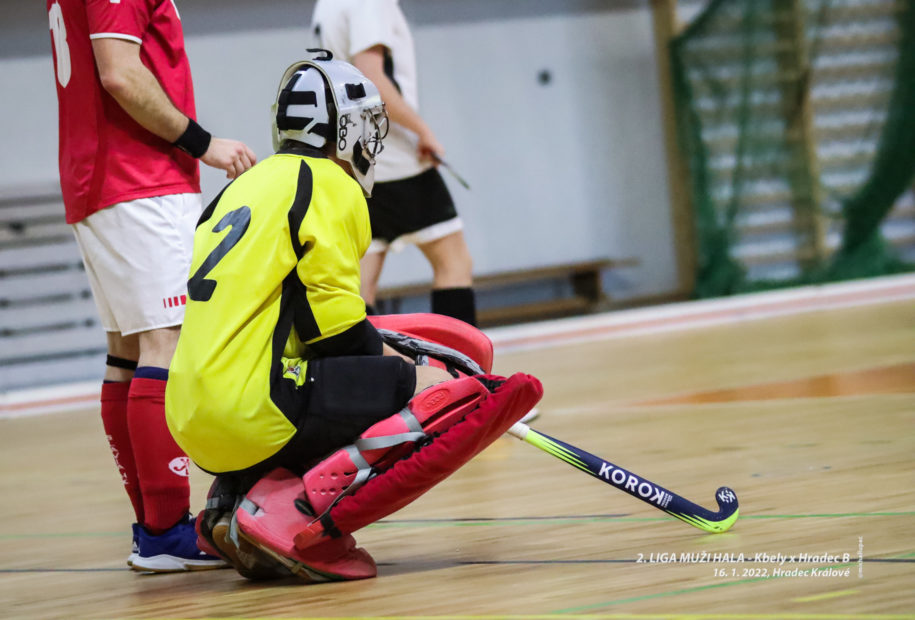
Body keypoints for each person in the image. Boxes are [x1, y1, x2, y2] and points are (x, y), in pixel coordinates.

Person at [163, 53, 542, 582]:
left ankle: (234, 502)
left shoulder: (239, 187)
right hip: (256, 406)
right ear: (344, 128)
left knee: (371, 375)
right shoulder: (329, 183)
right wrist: (429, 381)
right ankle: (292, 509)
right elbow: (335, 332)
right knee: (434, 391)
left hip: (192, 416)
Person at [47, 0, 256, 572]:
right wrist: (202, 142)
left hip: (101, 180)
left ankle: (155, 531)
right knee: (166, 341)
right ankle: (165, 531)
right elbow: (119, 72)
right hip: (137, 180)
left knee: (128, 352)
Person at [310, 0, 478, 326]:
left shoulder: (327, 4)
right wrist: (423, 132)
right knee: (454, 264)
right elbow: (371, 79)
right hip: (395, 158)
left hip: (351, 161)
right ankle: (461, 369)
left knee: (360, 285)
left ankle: (367, 374)